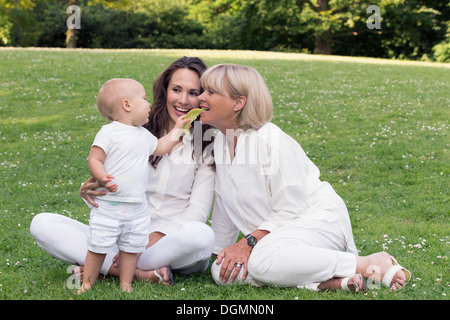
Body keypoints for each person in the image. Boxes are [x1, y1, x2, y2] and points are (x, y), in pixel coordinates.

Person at [198, 63, 411, 292]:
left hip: (315, 221)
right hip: (274, 238)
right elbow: (223, 202)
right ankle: (330, 283)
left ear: (239, 103)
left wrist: (248, 243)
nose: (200, 97)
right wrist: (220, 252)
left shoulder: (269, 139)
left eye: (210, 92)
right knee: (222, 272)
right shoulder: (220, 142)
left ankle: (367, 264)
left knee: (260, 261)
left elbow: (291, 209)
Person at [30, 57, 216, 288]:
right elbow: (108, 181)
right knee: (42, 223)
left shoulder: (207, 145)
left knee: (202, 235)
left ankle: (104, 267)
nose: (183, 100)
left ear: (203, 97)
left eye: (193, 92)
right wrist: (90, 190)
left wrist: (151, 240)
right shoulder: (134, 131)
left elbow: (197, 212)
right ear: (164, 91)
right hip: (122, 233)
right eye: (176, 90)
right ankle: (138, 274)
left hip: (171, 243)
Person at [79, 78, 189, 293]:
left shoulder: (143, 135)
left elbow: (162, 146)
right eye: (144, 99)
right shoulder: (108, 133)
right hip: (109, 206)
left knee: (131, 247)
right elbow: (95, 158)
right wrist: (102, 177)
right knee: (97, 246)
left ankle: (126, 283)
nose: (149, 104)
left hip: (137, 208)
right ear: (127, 105)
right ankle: (87, 283)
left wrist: (178, 128)